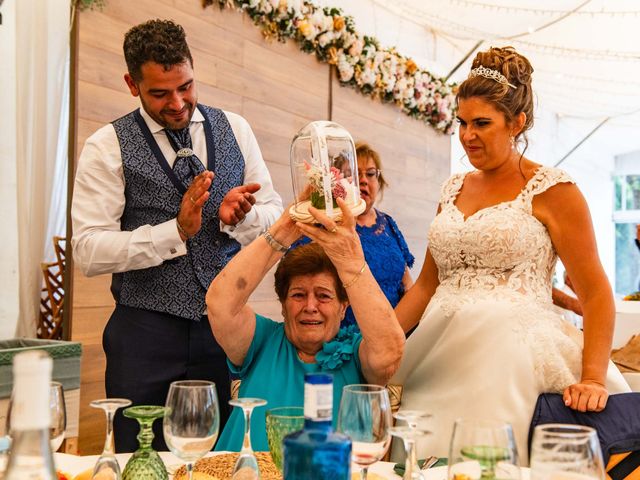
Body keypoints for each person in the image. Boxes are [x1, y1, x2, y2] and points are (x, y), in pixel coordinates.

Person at [391, 46, 630, 462]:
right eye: (462, 123)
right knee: (419, 460)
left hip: (508, 360)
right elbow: (428, 285)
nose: (468, 135)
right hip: (436, 355)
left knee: (488, 460)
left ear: (517, 123)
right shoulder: (452, 189)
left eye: (482, 123)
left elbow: (594, 293)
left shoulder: (554, 191)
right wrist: (379, 339)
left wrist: (592, 378)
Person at [71, 19, 283, 452]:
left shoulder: (236, 129)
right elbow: (88, 249)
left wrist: (236, 219)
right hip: (143, 334)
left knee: (215, 460)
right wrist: (176, 231)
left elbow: (274, 213)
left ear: (193, 69)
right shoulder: (106, 145)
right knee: (138, 457)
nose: (178, 102)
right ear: (132, 84)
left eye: (186, 86)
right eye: (160, 93)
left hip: (221, 329)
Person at [207, 199, 405, 451]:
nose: (310, 306)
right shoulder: (261, 341)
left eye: (323, 296)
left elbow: (390, 352)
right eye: (298, 295)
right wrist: (284, 229)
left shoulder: (358, 354)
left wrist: (350, 262)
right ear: (283, 304)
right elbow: (219, 304)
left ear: (343, 306)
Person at [294, 142, 415, 329]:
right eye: (355, 174)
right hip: (344, 338)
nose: (364, 180)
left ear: (379, 180)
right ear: (338, 182)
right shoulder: (326, 223)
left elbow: (407, 285)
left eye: (370, 173)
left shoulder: (388, 224)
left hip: (395, 329)